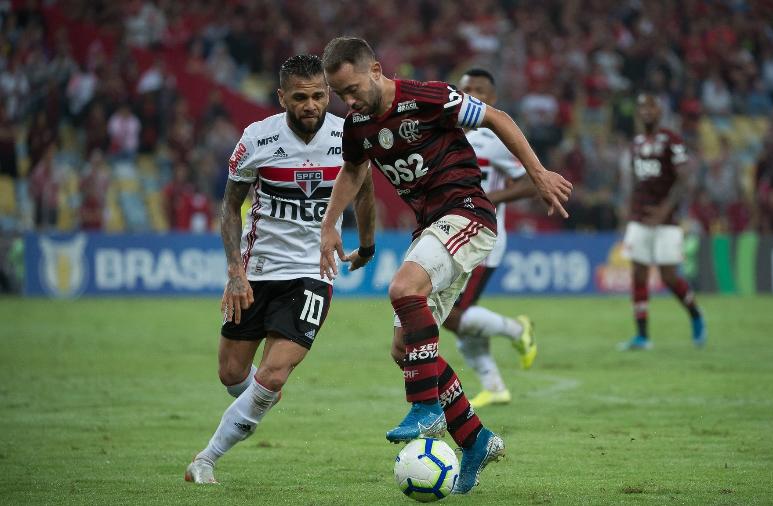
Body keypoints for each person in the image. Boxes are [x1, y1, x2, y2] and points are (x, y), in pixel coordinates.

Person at [318, 37, 572, 494]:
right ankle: (475, 441)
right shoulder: (357, 126)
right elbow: (355, 173)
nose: (349, 101)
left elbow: (496, 117)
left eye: (353, 89)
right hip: (430, 227)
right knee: (406, 349)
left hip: (467, 212)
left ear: (375, 69)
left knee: (403, 289)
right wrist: (335, 227)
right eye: (341, 95)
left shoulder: (426, 96)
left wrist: (537, 174)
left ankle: (425, 409)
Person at [185, 54, 376, 484]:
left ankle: (206, 459)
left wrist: (367, 245)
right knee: (232, 374)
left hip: (313, 272)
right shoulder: (257, 138)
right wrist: (235, 271)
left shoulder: (348, 135)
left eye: (319, 96)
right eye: (301, 97)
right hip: (258, 270)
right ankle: (258, 398)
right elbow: (230, 207)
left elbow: (365, 192)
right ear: (281, 97)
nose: (311, 105)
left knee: (272, 374)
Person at [441, 68, 537, 409]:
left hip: (486, 240)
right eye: (465, 88)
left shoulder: (495, 138)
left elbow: (531, 181)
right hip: (451, 237)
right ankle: (494, 386)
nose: (471, 94)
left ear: (492, 99)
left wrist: (490, 197)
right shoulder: (446, 133)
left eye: (479, 90)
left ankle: (516, 330)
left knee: (450, 315)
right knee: (456, 317)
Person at [619, 93, 706, 351]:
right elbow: (637, 181)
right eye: (642, 107)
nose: (646, 111)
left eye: (651, 107)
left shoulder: (671, 140)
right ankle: (642, 336)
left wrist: (664, 209)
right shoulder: (636, 143)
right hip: (640, 218)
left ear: (660, 111)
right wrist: (629, 209)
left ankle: (695, 314)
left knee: (668, 277)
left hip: (666, 220)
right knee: (638, 274)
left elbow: (684, 177)